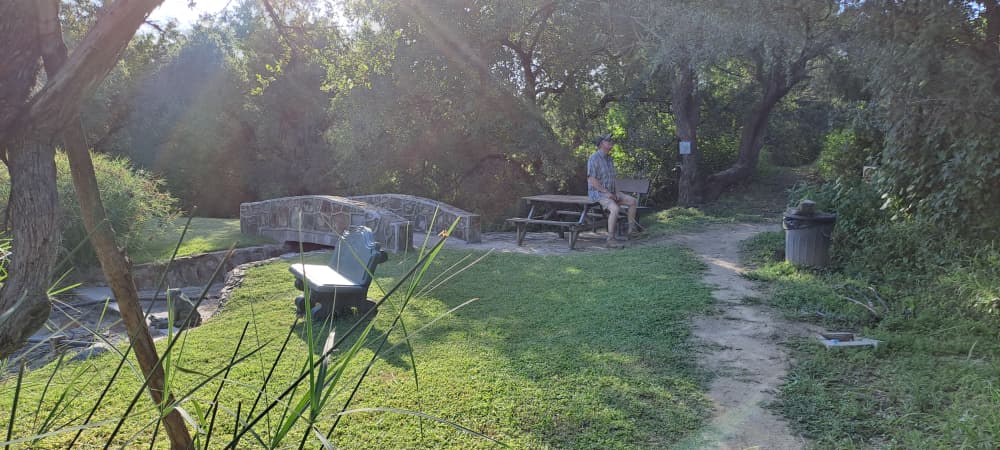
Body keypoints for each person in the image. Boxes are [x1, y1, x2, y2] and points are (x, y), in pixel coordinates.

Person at [587, 133, 639, 248]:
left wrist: (617, 192)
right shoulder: (593, 158)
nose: (611, 142)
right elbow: (592, 179)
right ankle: (610, 239)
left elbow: (613, 178)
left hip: (611, 192)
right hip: (597, 193)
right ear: (601, 144)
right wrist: (606, 193)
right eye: (608, 140)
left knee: (633, 201)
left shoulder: (610, 158)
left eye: (611, 140)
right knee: (615, 209)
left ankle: (631, 231)